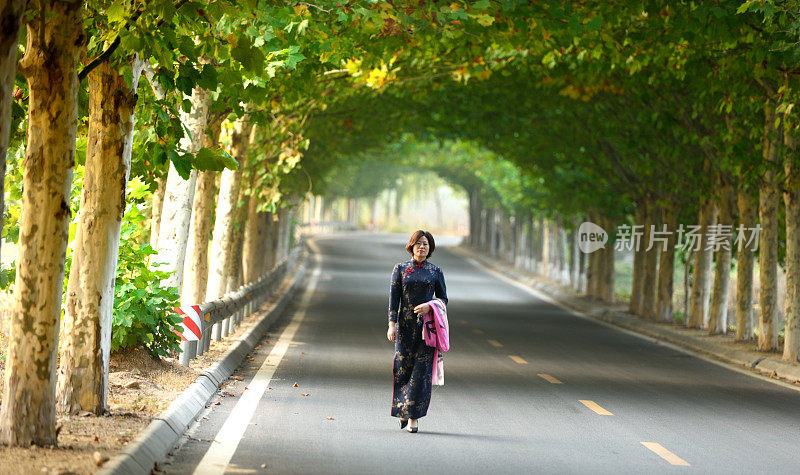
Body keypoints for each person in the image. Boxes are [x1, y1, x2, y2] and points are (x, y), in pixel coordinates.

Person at [387, 230, 448, 433]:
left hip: (427, 330)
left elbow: (443, 299)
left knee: (421, 374)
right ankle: (403, 409)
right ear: (412, 246)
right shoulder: (401, 269)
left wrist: (430, 307)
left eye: (426, 244)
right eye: (419, 243)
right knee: (403, 369)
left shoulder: (435, 271)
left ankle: (413, 417)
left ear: (430, 248)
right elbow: (394, 299)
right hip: (405, 330)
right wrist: (392, 324)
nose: (422, 247)